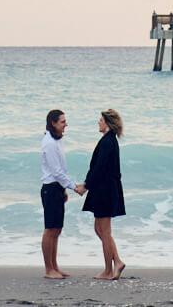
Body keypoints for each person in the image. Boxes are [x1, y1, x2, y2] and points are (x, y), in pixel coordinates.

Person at [82, 108, 126, 280]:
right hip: (103, 189)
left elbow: (99, 168)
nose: (98, 123)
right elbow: (98, 168)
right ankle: (118, 262)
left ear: (107, 124)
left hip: (105, 190)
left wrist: (85, 186)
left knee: (104, 231)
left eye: (101, 120)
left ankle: (109, 270)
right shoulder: (108, 140)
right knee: (99, 228)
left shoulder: (108, 142)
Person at [39, 109, 83, 279]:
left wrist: (63, 189)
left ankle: (55, 266)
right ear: (53, 123)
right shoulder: (49, 143)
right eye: (63, 122)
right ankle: (48, 269)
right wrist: (73, 187)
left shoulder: (56, 141)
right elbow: (56, 171)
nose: (66, 125)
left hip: (57, 188)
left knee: (57, 229)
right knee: (50, 230)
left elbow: (59, 170)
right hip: (50, 189)